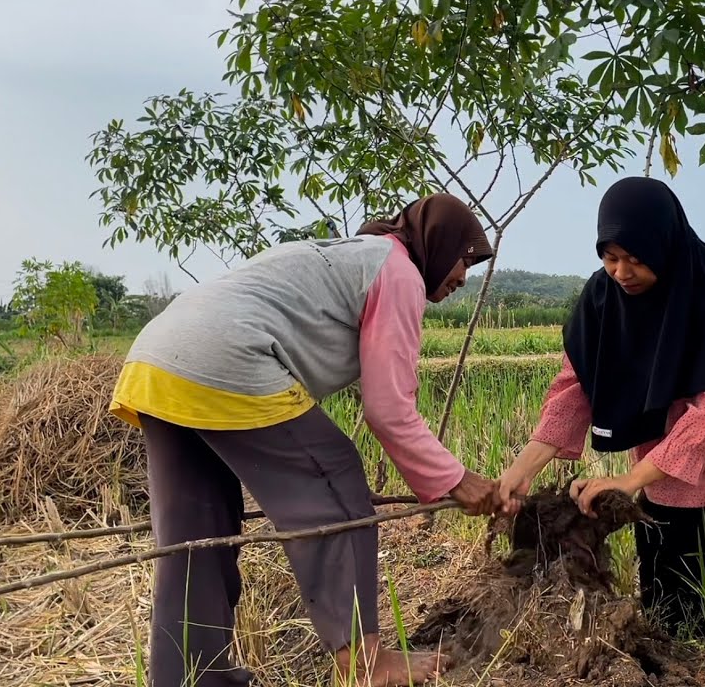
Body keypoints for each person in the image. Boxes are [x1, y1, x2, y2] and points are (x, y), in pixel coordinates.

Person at [109, 194, 500, 687]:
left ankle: (189, 677)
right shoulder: (397, 270)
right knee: (334, 479)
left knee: (197, 535)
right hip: (227, 355)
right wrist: (456, 479)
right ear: (437, 243)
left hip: (155, 359)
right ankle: (366, 664)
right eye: (464, 259)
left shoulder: (346, 255)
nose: (463, 277)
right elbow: (388, 410)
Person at [497, 176, 705, 667]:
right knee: (669, 517)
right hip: (677, 409)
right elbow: (574, 387)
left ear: (665, 244)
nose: (621, 272)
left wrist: (630, 479)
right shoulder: (602, 297)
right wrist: (522, 469)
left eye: (635, 258)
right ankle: (679, 650)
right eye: (609, 257)